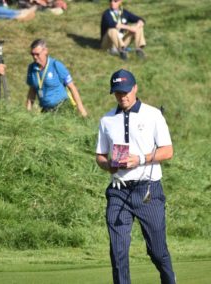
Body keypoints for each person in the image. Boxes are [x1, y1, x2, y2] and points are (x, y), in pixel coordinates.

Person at [95, 69, 176, 284]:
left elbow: (167, 151)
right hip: (118, 191)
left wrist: (139, 159)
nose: (122, 97)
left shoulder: (153, 115)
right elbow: (100, 156)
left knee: (157, 252)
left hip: (147, 190)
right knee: (118, 253)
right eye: (117, 93)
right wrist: (109, 165)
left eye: (125, 92)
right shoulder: (107, 120)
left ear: (135, 88)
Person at [26, 38, 88, 117]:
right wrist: (28, 110)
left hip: (62, 108)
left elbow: (72, 87)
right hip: (46, 110)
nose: (34, 57)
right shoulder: (31, 68)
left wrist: (81, 109)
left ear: (45, 51)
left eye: (37, 54)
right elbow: (32, 90)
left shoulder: (56, 65)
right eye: (32, 54)